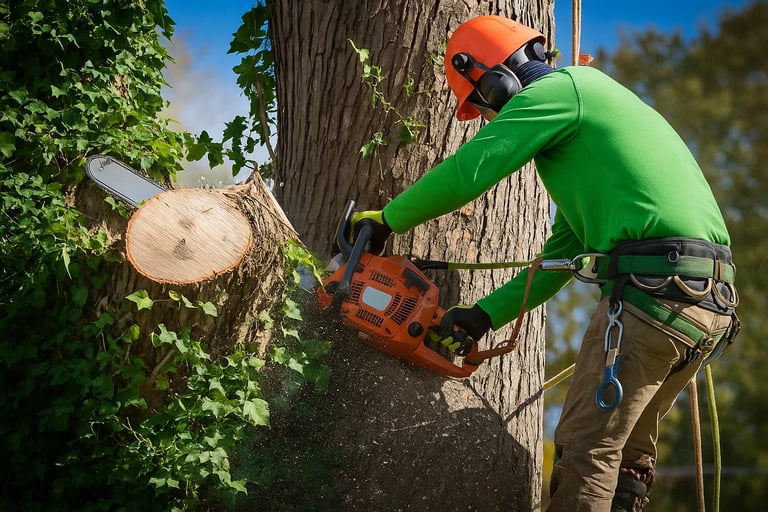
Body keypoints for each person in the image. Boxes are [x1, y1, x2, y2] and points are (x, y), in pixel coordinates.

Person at [349, 14, 740, 511]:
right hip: (706, 304)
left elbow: (470, 170)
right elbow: (560, 258)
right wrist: (480, 317)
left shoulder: (559, 92)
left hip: (653, 295)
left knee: (587, 451)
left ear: (494, 82)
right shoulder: (590, 115)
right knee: (625, 460)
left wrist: (387, 219)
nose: (490, 118)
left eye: (483, 107)